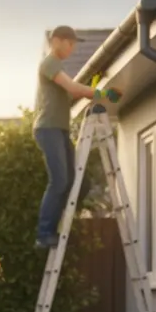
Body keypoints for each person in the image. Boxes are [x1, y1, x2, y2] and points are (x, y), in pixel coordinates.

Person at [35, 25, 123, 250]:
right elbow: (74, 89)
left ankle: (62, 222)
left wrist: (94, 87)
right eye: (70, 43)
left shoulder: (57, 66)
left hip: (60, 129)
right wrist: (102, 93)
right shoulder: (50, 63)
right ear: (56, 41)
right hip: (49, 129)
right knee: (60, 180)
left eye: (74, 44)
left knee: (77, 182)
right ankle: (44, 233)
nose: (72, 48)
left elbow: (77, 90)